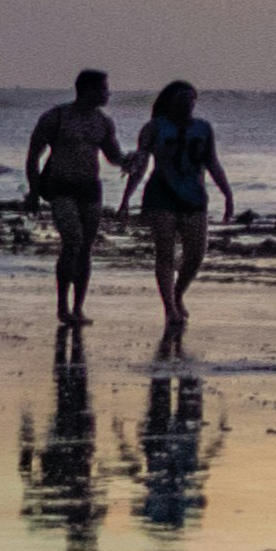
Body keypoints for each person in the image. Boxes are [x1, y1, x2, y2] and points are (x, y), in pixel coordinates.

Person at [119, 78, 237, 356]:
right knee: (165, 253)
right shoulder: (154, 128)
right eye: (183, 99)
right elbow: (141, 164)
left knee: (196, 253)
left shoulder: (203, 128)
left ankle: (178, 292)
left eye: (193, 99)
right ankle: (170, 307)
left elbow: (212, 163)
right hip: (161, 194)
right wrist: (126, 198)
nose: (189, 104)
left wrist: (228, 196)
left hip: (194, 196)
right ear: (169, 101)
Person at [22, 68, 127, 344]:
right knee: (73, 240)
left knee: (85, 248)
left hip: (90, 189)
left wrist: (132, 160)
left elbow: (114, 156)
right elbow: (34, 155)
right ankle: (62, 306)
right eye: (103, 88)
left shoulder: (103, 122)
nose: (107, 93)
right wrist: (33, 192)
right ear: (87, 89)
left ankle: (78, 307)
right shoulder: (56, 117)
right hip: (60, 187)